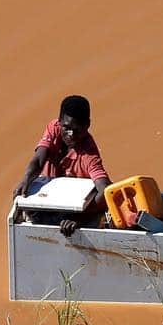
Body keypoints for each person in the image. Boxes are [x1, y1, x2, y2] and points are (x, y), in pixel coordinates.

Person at [14, 95, 111, 237]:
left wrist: (78, 218)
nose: (70, 134)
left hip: (72, 211)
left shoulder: (89, 155)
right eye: (66, 127)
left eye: (77, 129)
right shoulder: (54, 128)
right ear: (59, 122)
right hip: (47, 200)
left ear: (87, 126)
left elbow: (105, 190)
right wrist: (25, 180)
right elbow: (39, 160)